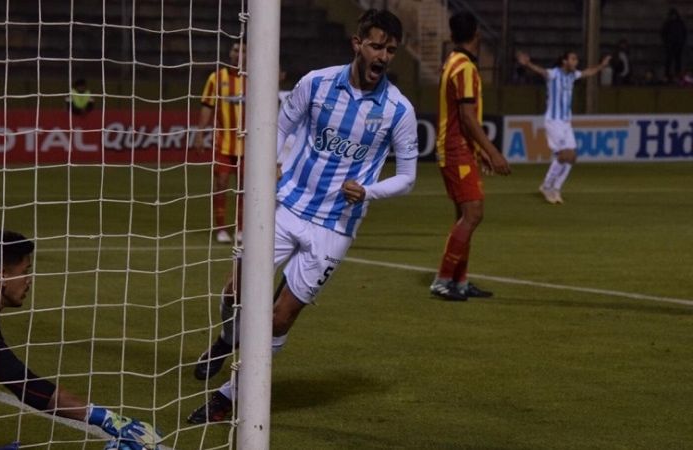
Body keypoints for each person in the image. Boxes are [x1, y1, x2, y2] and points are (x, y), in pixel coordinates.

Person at [187, 8, 418, 423]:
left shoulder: (398, 110)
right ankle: (226, 340)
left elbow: (407, 177)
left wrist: (370, 191)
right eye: (377, 45)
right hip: (287, 206)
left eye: (391, 50)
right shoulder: (316, 83)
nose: (383, 56)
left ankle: (228, 398)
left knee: (281, 316)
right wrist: (272, 161)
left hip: (335, 227)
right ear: (358, 43)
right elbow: (279, 126)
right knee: (234, 292)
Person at [0, 230, 162, 450]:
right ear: (2, 275)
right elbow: (24, 384)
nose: (29, 280)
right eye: (25, 270)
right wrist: (107, 419)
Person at [429, 12, 511, 302]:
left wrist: (479, 151)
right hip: (455, 148)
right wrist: (493, 151)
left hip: (457, 147)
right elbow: (466, 117)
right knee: (474, 213)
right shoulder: (464, 67)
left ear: (452, 36)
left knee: (465, 215)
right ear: (477, 33)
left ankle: (459, 281)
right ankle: (442, 279)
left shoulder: (453, 62)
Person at [516, 50, 610, 204]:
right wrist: (528, 64)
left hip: (566, 122)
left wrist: (601, 66)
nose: (576, 62)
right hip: (554, 121)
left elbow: (587, 72)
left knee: (572, 157)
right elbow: (542, 72)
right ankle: (546, 186)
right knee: (564, 155)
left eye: (576, 59)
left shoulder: (572, 76)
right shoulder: (554, 74)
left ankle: (556, 188)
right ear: (564, 61)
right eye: (573, 59)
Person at [193, 41, 247, 244]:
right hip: (223, 142)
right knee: (222, 184)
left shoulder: (255, 79)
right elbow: (207, 106)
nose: (238, 54)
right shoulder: (216, 78)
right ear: (230, 53)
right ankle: (221, 228)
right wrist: (200, 133)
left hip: (248, 145)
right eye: (235, 50)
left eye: (243, 51)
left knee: (245, 187)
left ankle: (241, 229)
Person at [661, 8, 687, 82]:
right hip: (670, 45)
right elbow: (663, 33)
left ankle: (677, 75)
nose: (673, 16)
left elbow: (684, 33)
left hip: (678, 45)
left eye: (674, 15)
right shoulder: (667, 23)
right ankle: (667, 75)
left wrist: (681, 42)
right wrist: (666, 43)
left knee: (678, 61)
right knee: (668, 61)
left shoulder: (680, 23)